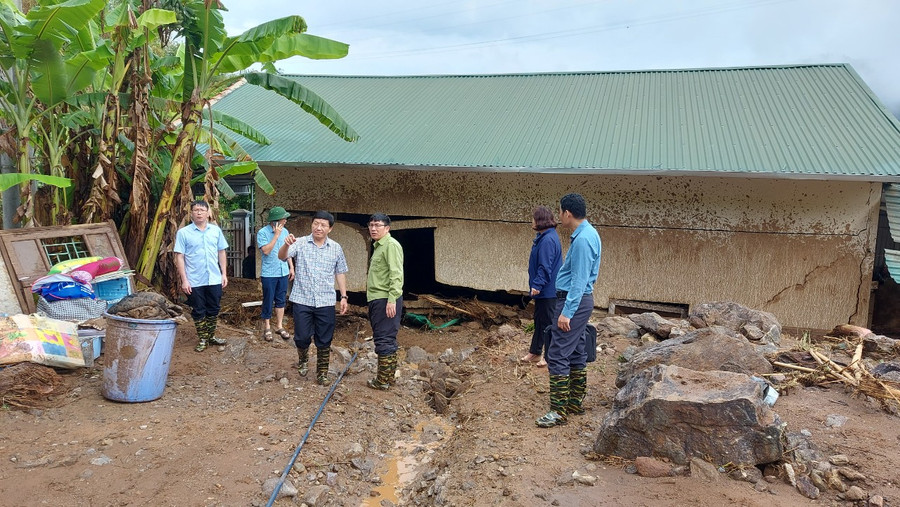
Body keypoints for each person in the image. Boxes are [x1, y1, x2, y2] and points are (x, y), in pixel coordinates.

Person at [536, 193, 601, 428]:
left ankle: (558, 411)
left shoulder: (583, 240)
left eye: (560, 212)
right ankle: (574, 402)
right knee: (575, 351)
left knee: (557, 353)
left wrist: (567, 311)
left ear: (567, 213)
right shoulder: (588, 233)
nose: (559, 217)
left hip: (573, 301)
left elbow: (579, 279)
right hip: (578, 300)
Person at [279, 211, 349, 385]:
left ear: (330, 229)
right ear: (312, 225)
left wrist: (344, 296)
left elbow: (340, 272)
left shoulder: (336, 248)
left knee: (325, 339)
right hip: (302, 299)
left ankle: (322, 373)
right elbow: (282, 257)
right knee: (301, 337)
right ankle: (303, 360)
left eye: (323, 225)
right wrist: (286, 245)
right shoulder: (300, 243)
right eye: (316, 223)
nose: (319, 227)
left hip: (325, 301)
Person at [174, 200, 229, 353]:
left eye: (202, 210)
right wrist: (184, 280)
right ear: (191, 213)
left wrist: (224, 274)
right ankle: (203, 339)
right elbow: (180, 257)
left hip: (214, 277)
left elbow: (221, 252)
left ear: (207, 213)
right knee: (198, 309)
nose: (199, 212)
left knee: (214, 308)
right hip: (194, 279)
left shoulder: (215, 231)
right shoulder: (183, 233)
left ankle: (211, 336)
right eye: (196, 210)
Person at [365, 213, 404, 390]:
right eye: (371, 225)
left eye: (377, 225)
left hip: (385, 299)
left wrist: (392, 299)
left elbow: (396, 274)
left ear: (387, 228)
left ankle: (382, 381)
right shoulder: (378, 246)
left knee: (384, 339)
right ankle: (388, 378)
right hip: (377, 298)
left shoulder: (390, 245)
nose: (373, 228)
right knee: (385, 337)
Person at [522, 205, 562, 367]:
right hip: (544, 290)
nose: (531, 221)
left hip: (548, 290)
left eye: (533, 218)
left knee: (548, 324)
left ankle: (549, 356)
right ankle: (535, 352)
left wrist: (537, 284)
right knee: (539, 321)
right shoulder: (544, 237)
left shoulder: (547, 240)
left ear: (539, 220)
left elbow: (545, 266)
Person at [257, 207, 295, 342]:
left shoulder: (286, 231)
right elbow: (266, 251)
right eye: (283, 219)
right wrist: (276, 236)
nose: (285, 220)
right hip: (269, 273)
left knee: (281, 299)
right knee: (268, 299)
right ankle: (267, 326)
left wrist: (291, 267)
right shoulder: (262, 233)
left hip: (283, 270)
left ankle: (279, 325)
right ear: (275, 221)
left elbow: (287, 250)